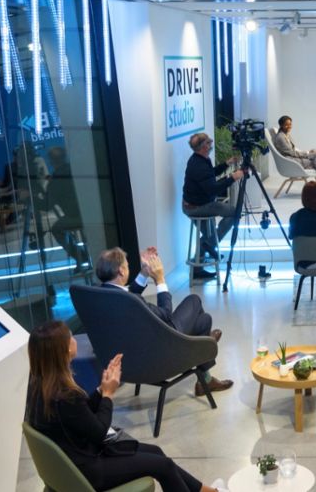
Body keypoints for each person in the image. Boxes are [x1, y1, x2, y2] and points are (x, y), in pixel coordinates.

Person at [25, 320, 228, 492]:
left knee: (156, 452)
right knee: (163, 465)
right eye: (70, 337)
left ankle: (203, 490)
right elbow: (98, 431)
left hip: (75, 461)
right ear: (64, 349)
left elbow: (80, 415)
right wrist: (108, 395)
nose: (74, 339)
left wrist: (100, 390)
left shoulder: (40, 387)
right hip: (89, 470)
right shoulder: (65, 395)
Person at [95, 246, 233, 396]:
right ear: (121, 271)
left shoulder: (101, 295)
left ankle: (204, 361)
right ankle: (203, 348)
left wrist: (144, 272)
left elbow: (128, 295)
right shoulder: (131, 302)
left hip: (130, 358)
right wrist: (160, 279)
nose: (128, 268)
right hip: (157, 357)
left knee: (204, 321)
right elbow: (166, 314)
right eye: (127, 266)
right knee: (194, 300)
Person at [182, 132, 245, 278]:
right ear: (204, 147)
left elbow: (210, 174)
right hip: (197, 207)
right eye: (209, 143)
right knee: (235, 213)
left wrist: (226, 164)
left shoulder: (200, 159)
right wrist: (233, 177)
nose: (211, 145)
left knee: (208, 234)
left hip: (196, 203)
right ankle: (210, 244)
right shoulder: (198, 165)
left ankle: (199, 266)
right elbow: (213, 188)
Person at [46, 147, 88, 271]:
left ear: (52, 162)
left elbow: (47, 205)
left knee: (56, 229)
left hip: (74, 217)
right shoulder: (77, 170)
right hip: (90, 213)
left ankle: (80, 256)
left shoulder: (54, 182)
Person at [272, 115, 316, 195]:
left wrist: (307, 151)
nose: (289, 126)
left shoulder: (286, 134)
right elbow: (291, 152)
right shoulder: (280, 137)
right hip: (292, 161)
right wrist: (308, 153)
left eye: (290, 124)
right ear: (281, 125)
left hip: (294, 158)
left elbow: (294, 149)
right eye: (286, 124)